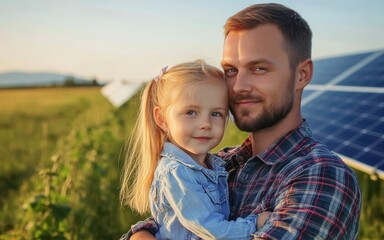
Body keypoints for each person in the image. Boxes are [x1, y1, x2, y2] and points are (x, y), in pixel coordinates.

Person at [122, 3, 362, 240]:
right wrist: (141, 232)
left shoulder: (321, 175)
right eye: (231, 70)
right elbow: (172, 220)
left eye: (258, 68)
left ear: (302, 75)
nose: (239, 86)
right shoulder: (220, 162)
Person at [120, 60, 270, 239]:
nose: (205, 124)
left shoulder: (211, 165)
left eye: (216, 114)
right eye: (191, 112)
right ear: (162, 119)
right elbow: (212, 230)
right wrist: (254, 223)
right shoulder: (177, 172)